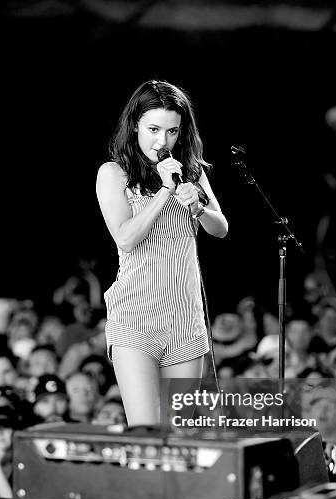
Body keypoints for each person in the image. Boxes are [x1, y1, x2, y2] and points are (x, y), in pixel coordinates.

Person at [96, 79, 228, 426]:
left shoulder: (192, 170)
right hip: (136, 317)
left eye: (172, 131)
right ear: (134, 125)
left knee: (178, 435)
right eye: (153, 129)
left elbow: (221, 227)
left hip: (185, 319)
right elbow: (125, 238)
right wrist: (164, 191)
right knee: (146, 433)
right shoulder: (113, 174)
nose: (162, 141)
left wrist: (198, 207)